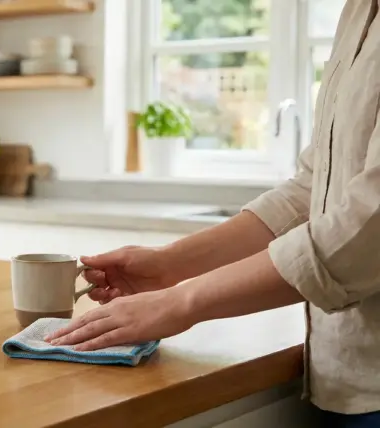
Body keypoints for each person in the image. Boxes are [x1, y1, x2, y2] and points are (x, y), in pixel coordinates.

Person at [45, 1, 380, 426]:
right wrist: (171, 264)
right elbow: (311, 193)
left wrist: (181, 302)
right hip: (342, 379)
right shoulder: (358, 13)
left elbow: (366, 233)